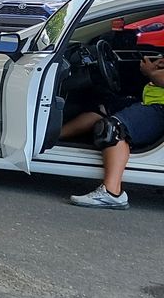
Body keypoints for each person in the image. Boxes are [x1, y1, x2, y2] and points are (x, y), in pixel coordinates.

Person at [59, 53, 164, 209]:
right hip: (151, 103)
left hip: (160, 110)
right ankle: (51, 138)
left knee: (112, 129)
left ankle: (112, 193)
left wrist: (150, 71)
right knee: (103, 107)